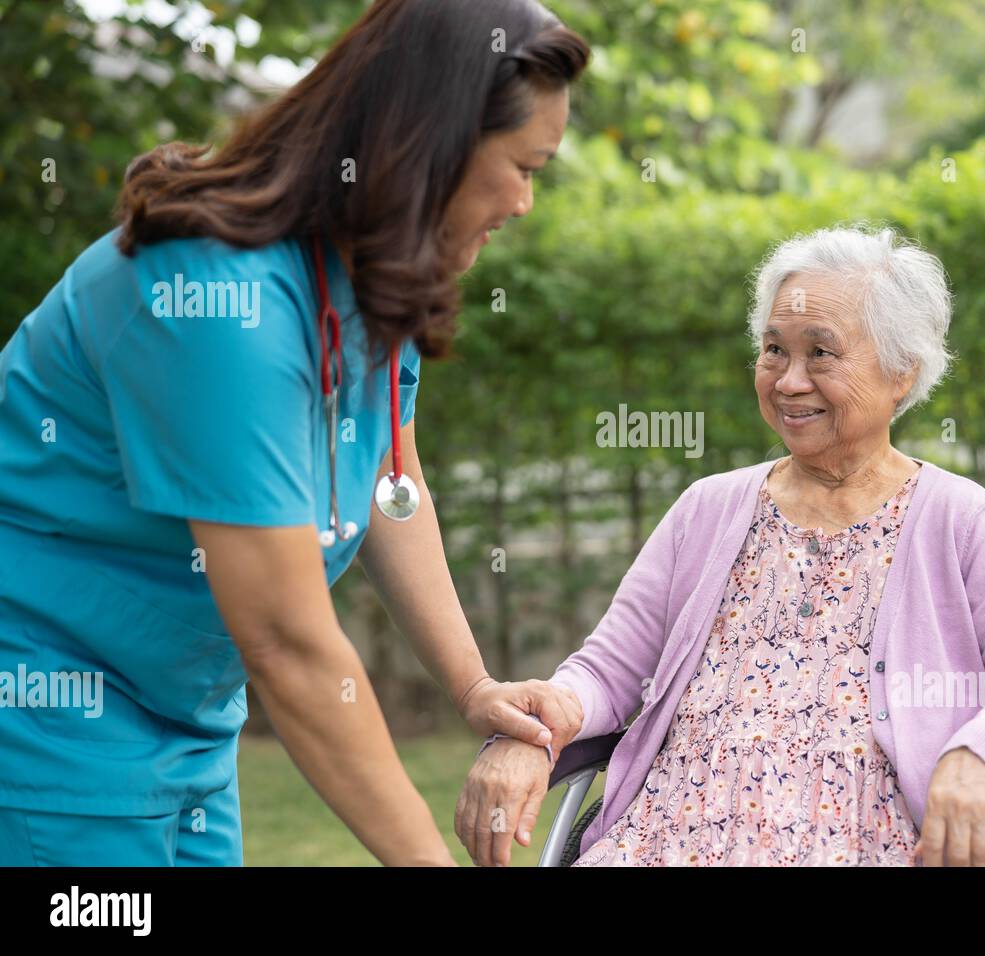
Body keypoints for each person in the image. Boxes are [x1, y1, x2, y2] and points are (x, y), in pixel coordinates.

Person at [0, 0, 588, 867]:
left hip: (190, 725)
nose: (526, 202)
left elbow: (393, 476)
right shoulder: (215, 298)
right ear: (433, 143)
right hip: (48, 717)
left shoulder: (366, 273)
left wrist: (471, 683)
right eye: (523, 166)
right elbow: (286, 641)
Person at [455, 225, 985, 867]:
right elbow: (604, 674)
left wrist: (984, 747)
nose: (789, 381)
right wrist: (534, 734)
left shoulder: (959, 519)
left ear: (902, 371)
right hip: (669, 841)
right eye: (773, 350)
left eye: (822, 353)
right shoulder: (705, 509)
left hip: (868, 846)